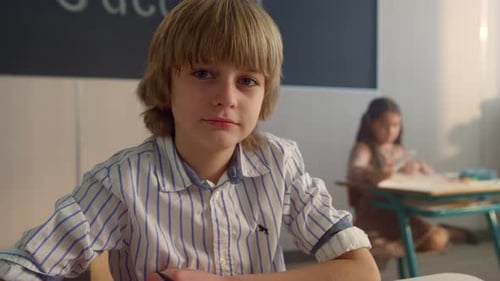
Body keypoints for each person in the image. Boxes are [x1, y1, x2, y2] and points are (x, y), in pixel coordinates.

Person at [0, 1, 380, 280]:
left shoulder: (280, 161)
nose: (227, 97)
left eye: (247, 81)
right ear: (167, 83)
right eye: (203, 73)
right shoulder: (122, 182)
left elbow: (362, 272)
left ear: (266, 94)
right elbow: (20, 267)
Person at [346, 97, 473, 269]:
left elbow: (430, 174)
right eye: (384, 125)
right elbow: (355, 169)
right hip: (374, 216)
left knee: (436, 239)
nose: (390, 130)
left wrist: (444, 177)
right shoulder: (364, 147)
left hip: (401, 215)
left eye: (396, 125)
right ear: (370, 122)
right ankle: (442, 233)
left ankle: (447, 232)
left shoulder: (400, 151)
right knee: (364, 257)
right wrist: (375, 173)